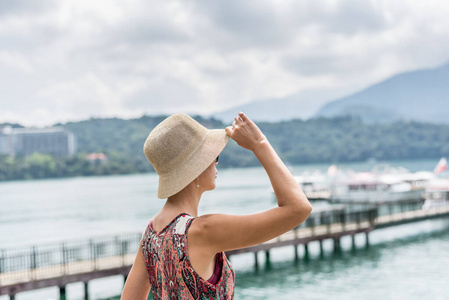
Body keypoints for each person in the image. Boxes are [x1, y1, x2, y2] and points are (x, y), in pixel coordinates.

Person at [121, 112, 312, 300]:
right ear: (196, 168)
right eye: (214, 158)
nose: (215, 163)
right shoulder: (204, 231)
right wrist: (259, 144)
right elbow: (298, 208)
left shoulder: (152, 233)